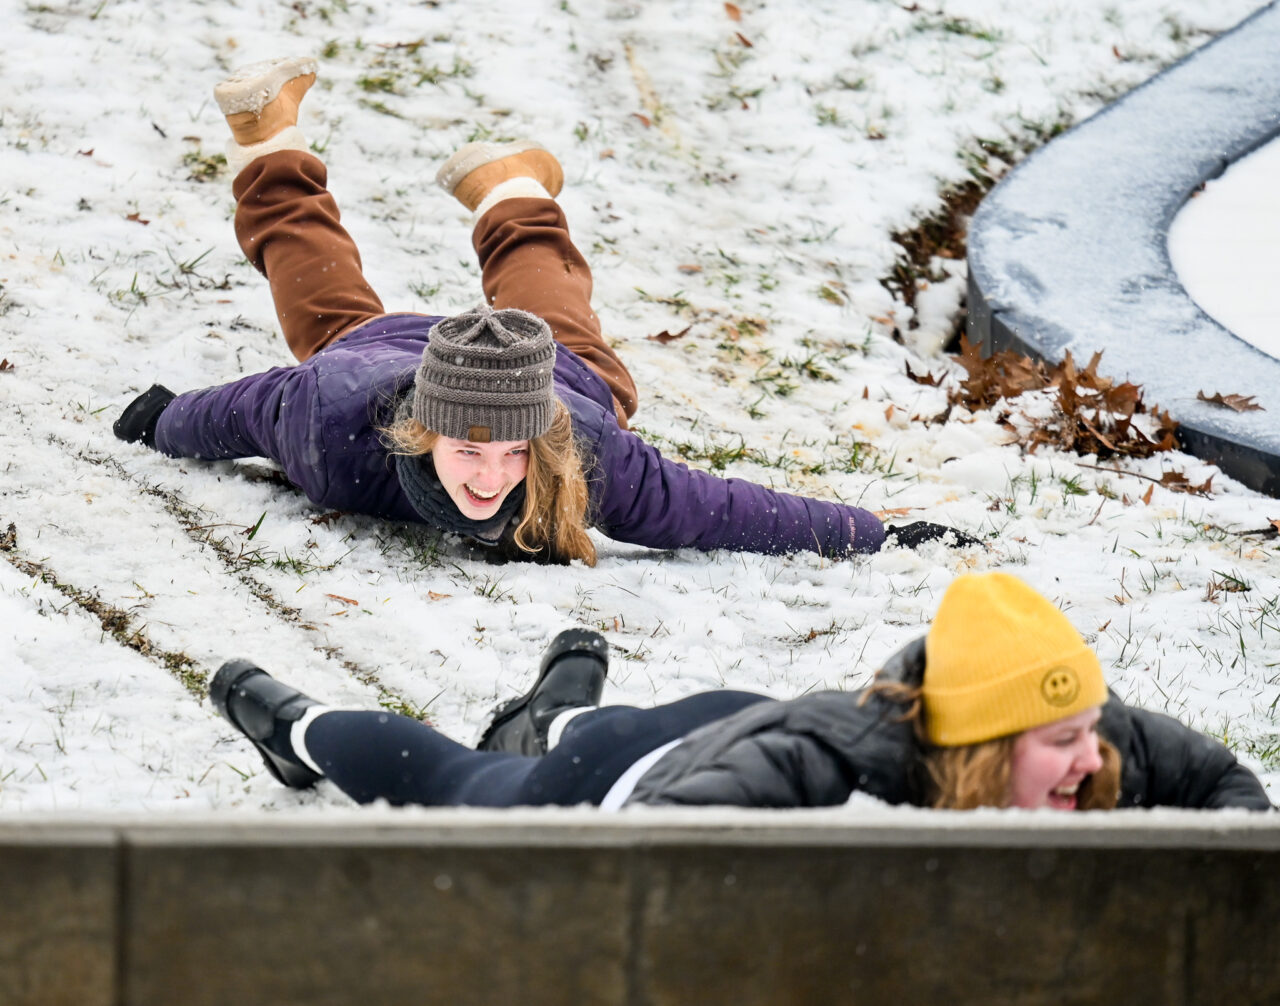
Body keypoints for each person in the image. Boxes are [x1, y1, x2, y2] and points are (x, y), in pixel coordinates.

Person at [113, 55, 974, 565]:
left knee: (557, 338)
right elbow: (241, 410)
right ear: (421, 433)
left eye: (510, 451)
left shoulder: (584, 455)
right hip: (372, 352)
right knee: (327, 322)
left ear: (543, 438)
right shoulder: (332, 422)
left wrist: (873, 536)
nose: (491, 478)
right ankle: (458, 176)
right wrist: (163, 420)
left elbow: (718, 510)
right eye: (468, 449)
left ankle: (454, 173)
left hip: (543, 368)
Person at [210, 572, 1272, 812]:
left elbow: (1226, 793)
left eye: (1088, 729)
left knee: (593, 723)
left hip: (734, 713)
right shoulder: (823, 774)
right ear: (982, 748)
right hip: (620, 781)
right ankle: (292, 723)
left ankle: (560, 705)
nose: (1094, 755)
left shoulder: (1080, 739)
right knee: (454, 781)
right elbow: (668, 869)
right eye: (1062, 741)